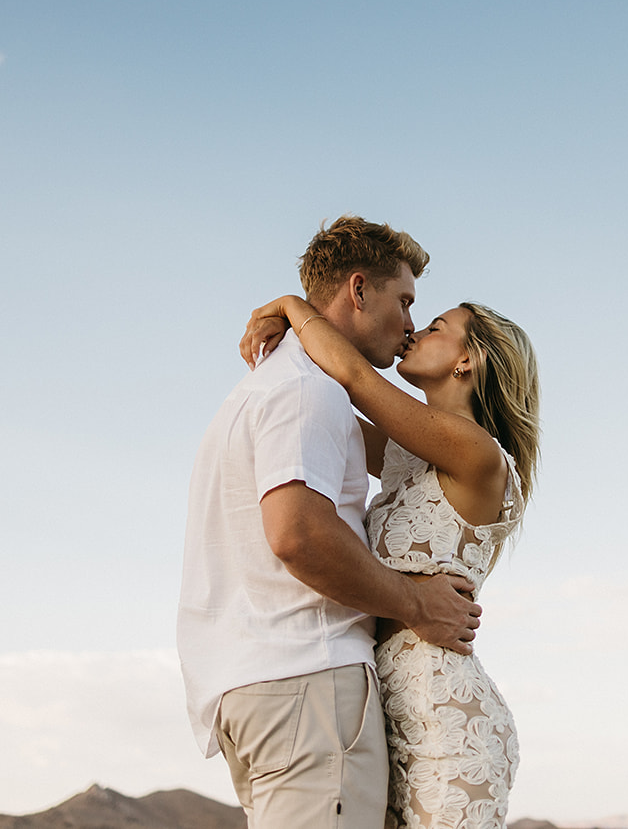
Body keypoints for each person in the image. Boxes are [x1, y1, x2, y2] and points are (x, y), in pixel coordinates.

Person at [177, 216, 483, 829]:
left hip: (272, 684)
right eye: (404, 301)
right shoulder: (307, 391)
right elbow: (298, 533)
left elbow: (364, 391)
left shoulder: (284, 386)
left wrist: (294, 308)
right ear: (359, 289)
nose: (410, 324)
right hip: (308, 680)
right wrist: (416, 604)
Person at [239, 285, 540, 829]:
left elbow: (354, 379)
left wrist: (291, 306)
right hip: (387, 713)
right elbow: (316, 403)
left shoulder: (477, 452)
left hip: (447, 724)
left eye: (436, 328)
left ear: (468, 359)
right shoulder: (409, 454)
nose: (414, 331)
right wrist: (285, 350)